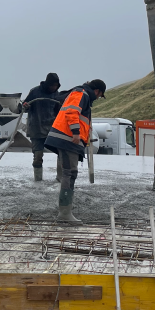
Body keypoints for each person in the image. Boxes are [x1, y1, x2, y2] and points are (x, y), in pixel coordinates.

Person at [44, 79, 107, 223]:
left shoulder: (82, 94)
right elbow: (72, 112)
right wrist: (76, 133)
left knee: (70, 173)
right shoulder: (81, 93)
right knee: (70, 173)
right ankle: (64, 213)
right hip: (67, 138)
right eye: (100, 95)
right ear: (97, 91)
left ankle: (66, 209)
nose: (98, 98)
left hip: (68, 139)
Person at [23, 73, 65, 182]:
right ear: (47, 84)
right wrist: (25, 106)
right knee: (38, 156)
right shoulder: (35, 92)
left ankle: (60, 178)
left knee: (61, 152)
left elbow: (59, 111)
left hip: (52, 129)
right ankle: (38, 179)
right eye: (52, 85)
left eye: (56, 86)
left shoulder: (57, 95)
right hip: (36, 129)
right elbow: (23, 107)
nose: (54, 88)